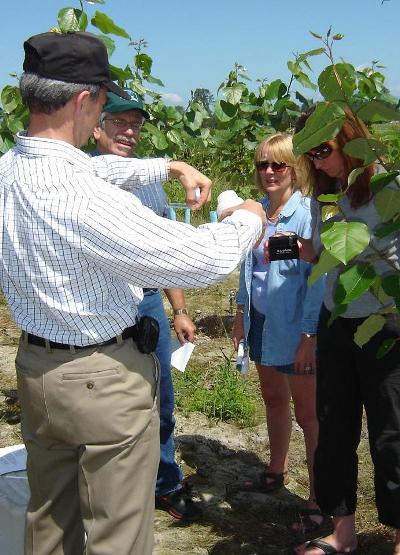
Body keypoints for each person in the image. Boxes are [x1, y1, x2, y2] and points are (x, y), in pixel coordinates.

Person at [0, 31, 266, 555]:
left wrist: (168, 166)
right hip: (100, 380)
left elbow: (99, 165)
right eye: (103, 100)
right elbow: (201, 258)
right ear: (84, 100)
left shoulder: (10, 169)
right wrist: (248, 219)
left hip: (36, 370)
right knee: (117, 534)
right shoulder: (81, 197)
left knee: (49, 520)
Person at [289, 109, 400, 555]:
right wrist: (299, 249)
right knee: (335, 429)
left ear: (350, 139)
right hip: (337, 321)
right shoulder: (326, 196)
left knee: (392, 432)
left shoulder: (390, 186)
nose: (317, 162)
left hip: (387, 323)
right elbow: (327, 253)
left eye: (322, 150)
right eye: (310, 155)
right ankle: (342, 532)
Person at [93, 90, 200, 520]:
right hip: (100, 306)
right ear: (95, 126)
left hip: (148, 302)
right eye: (119, 122)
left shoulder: (151, 183)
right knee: (106, 398)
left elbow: (166, 251)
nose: (129, 132)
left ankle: (164, 482)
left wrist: (179, 310)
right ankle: (113, 488)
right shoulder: (83, 177)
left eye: (135, 125)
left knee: (161, 397)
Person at [232, 133, 326, 534]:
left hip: (294, 328)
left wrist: (309, 335)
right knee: (273, 398)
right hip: (262, 323)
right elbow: (247, 270)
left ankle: (319, 498)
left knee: (308, 415)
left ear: (295, 167)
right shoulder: (256, 213)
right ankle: (276, 469)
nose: (269, 171)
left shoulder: (308, 214)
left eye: (278, 164)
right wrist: (240, 314)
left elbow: (319, 278)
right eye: (262, 164)